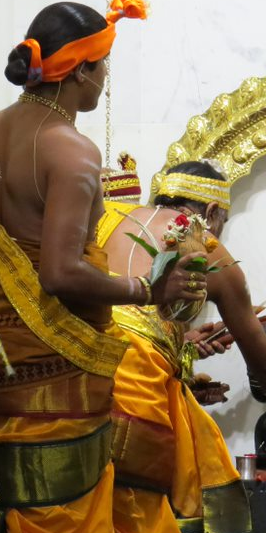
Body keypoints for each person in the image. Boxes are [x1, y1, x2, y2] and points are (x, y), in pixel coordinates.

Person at [0, 3, 207, 532]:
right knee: (60, 508)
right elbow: (60, 273)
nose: (106, 78)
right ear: (82, 71)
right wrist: (146, 288)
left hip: (6, 363)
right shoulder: (70, 149)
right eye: (105, 65)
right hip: (53, 373)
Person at [97, 159, 266, 532]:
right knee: (138, 513)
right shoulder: (202, 242)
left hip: (77, 389)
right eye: (223, 223)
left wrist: (182, 363)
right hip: (133, 405)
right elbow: (265, 358)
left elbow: (125, 320)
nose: (219, 233)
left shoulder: (107, 216)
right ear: (211, 212)